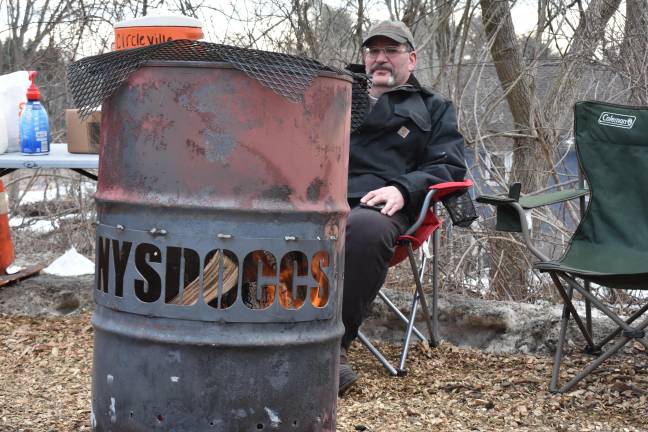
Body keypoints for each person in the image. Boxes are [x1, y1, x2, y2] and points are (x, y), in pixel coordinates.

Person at [339, 20, 467, 395]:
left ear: (410, 59)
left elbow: (450, 166)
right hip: (320, 197)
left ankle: (331, 349)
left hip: (383, 206)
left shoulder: (433, 107)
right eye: (372, 51)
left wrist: (403, 187)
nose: (380, 59)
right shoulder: (335, 93)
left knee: (365, 229)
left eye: (390, 51)